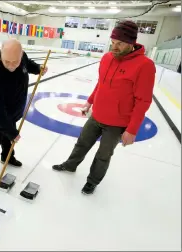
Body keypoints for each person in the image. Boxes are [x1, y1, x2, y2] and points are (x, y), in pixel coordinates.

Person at [52, 20, 156, 195]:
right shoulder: (107, 58)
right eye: (113, 42)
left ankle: (92, 181)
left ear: (131, 43)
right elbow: (101, 83)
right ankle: (70, 165)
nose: (114, 47)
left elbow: (143, 101)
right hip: (96, 115)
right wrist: (90, 102)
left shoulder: (144, 66)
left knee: (103, 155)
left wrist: (132, 129)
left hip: (117, 123)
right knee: (82, 143)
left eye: (120, 43)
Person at [0, 38, 48, 182]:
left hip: (12, 111)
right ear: (1, 54)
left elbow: (27, 64)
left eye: (15, 62)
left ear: (21, 54)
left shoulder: (21, 58)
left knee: (8, 139)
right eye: (7, 62)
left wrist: (38, 69)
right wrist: (11, 131)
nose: (11, 66)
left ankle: (7, 156)